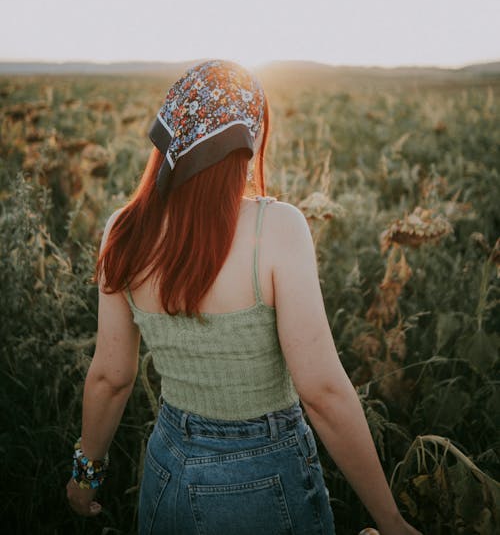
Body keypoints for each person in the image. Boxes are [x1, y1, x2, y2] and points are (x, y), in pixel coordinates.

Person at [66, 59, 422, 535]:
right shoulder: (278, 229)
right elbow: (323, 393)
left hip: (167, 467)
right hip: (266, 477)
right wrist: (391, 520)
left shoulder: (124, 231)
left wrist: (84, 478)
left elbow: (110, 378)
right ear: (244, 145)